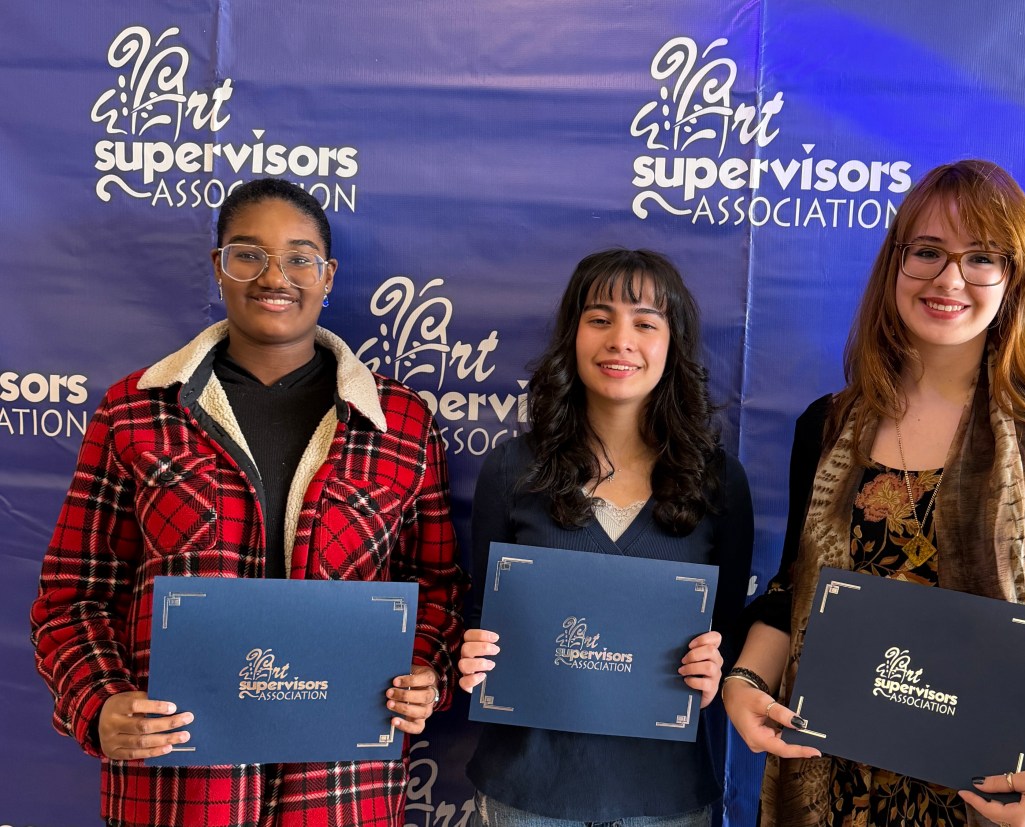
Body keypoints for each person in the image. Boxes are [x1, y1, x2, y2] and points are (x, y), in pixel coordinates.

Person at [30, 178, 467, 826]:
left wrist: (425, 670)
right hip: (177, 793)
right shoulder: (134, 413)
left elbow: (436, 586)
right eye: (248, 254)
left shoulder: (400, 422)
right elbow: (72, 597)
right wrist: (99, 703)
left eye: (299, 258)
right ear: (218, 266)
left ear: (327, 276)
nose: (274, 277)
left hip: (342, 794)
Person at [723, 160, 1025, 827]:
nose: (948, 279)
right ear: (895, 263)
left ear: (1014, 278)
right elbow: (794, 588)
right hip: (837, 792)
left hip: (994, 801)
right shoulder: (828, 425)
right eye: (927, 252)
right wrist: (744, 681)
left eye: (981, 258)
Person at [456, 249, 753, 826]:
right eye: (599, 319)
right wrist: (473, 654)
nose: (620, 340)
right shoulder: (512, 470)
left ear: (672, 345)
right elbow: (482, 618)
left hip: (665, 798)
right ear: (572, 335)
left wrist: (717, 666)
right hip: (526, 794)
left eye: (645, 323)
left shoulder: (719, 481)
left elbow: (732, 636)